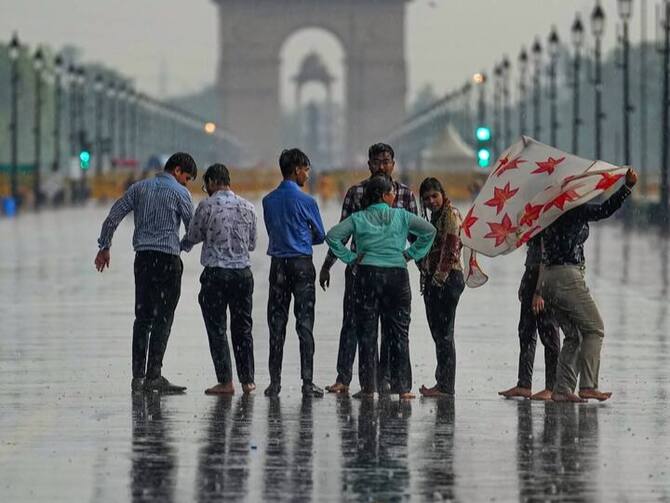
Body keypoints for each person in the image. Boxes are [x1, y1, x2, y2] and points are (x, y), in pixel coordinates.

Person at [320, 143, 418, 395]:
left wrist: (418, 263)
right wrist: (330, 263)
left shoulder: (406, 195)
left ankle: (381, 378)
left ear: (393, 164)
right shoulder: (356, 192)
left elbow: (417, 236)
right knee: (352, 324)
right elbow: (342, 232)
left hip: (392, 270)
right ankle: (344, 378)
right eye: (377, 162)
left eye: (386, 162)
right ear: (369, 164)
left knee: (389, 328)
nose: (382, 166)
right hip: (360, 270)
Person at [326, 175, 435, 399]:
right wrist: (411, 254)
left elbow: (333, 236)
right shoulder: (402, 216)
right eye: (392, 193)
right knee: (399, 333)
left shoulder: (358, 218)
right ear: (385, 196)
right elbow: (429, 232)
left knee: (367, 333)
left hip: (367, 276)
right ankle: (403, 387)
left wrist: (350, 257)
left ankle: (369, 387)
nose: (395, 195)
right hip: (397, 277)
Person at [95, 152, 196, 393]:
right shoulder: (181, 193)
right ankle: (154, 375)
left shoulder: (138, 188)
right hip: (169, 262)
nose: (186, 183)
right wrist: (183, 246)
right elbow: (193, 229)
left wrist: (104, 246)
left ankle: (138, 377)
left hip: (143, 261)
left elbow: (114, 215)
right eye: (187, 178)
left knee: (142, 319)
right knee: (163, 318)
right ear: (178, 170)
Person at [533, 167, 638, 402]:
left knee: (574, 336)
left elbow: (540, 251)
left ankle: (562, 390)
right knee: (594, 329)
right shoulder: (573, 209)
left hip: (550, 279)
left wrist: (539, 289)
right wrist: (627, 187)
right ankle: (588, 385)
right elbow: (604, 210)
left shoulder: (550, 212)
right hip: (566, 276)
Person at [181, 163, 257, 396]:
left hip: (216, 275)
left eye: (206, 185)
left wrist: (182, 245)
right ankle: (248, 381)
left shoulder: (206, 206)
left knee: (217, 329)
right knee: (243, 328)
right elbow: (252, 244)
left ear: (213, 182)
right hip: (243, 274)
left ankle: (225, 382)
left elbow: (193, 236)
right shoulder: (248, 207)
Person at [262, 148, 326, 398]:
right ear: (297, 169)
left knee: (276, 324)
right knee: (305, 323)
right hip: (301, 264)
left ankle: (274, 382)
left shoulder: (268, 200)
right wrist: (302, 237)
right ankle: (307, 382)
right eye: (306, 170)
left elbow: (272, 229)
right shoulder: (307, 201)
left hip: (278, 264)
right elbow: (320, 234)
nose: (308, 175)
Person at [417, 177, 465, 397]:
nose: (431, 201)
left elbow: (452, 248)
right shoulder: (433, 218)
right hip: (434, 280)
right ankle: (442, 382)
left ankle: (446, 386)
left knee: (445, 334)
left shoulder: (451, 215)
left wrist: (438, 279)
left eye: (434, 196)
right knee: (439, 334)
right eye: (426, 198)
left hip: (448, 279)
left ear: (442, 194)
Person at [498, 234, 561, 401]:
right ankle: (524, 384)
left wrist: (540, 291)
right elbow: (533, 253)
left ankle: (552, 387)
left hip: (544, 280)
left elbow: (547, 257)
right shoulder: (535, 219)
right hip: (532, 274)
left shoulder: (547, 217)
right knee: (526, 332)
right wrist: (525, 281)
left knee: (549, 333)